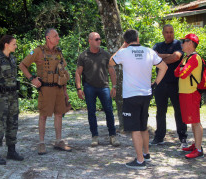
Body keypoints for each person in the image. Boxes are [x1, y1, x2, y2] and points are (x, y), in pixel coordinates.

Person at [109, 29, 168, 169]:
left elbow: (111, 62)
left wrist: (122, 47)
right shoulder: (149, 51)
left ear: (126, 41)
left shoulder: (123, 52)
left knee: (135, 128)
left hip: (131, 95)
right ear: (138, 38)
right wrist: (155, 83)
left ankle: (140, 161)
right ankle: (146, 154)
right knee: (143, 127)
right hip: (146, 93)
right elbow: (164, 67)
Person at [19, 28, 72, 155]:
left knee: (59, 114)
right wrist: (32, 79)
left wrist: (65, 92)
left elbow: (63, 72)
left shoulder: (59, 52)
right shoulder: (37, 51)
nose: (58, 38)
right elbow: (22, 65)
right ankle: (41, 143)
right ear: (48, 38)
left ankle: (59, 141)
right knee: (43, 116)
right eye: (56, 36)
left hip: (59, 88)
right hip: (46, 89)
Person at [75, 32, 120, 147]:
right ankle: (94, 136)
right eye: (96, 39)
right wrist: (79, 88)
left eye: (100, 39)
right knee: (91, 112)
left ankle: (113, 136)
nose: (99, 41)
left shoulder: (105, 54)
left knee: (109, 111)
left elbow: (112, 71)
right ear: (90, 41)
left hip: (104, 86)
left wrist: (114, 86)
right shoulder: (83, 55)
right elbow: (78, 73)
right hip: (89, 87)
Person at [0, 35, 24, 165]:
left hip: (13, 96)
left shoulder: (12, 59)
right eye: (14, 44)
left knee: (13, 123)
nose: (16, 46)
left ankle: (11, 151)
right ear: (6, 44)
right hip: (1, 98)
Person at [151, 24, 188, 147]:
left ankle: (183, 137)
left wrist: (160, 59)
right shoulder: (157, 45)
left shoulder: (178, 44)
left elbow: (176, 57)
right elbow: (153, 59)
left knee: (179, 111)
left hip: (175, 84)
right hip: (160, 83)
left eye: (171, 32)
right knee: (160, 111)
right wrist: (168, 56)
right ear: (163, 33)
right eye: (166, 32)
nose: (169, 34)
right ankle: (159, 137)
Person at [174, 33, 204, 159]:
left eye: (184, 41)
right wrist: (181, 70)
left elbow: (183, 74)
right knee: (192, 120)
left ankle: (198, 149)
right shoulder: (186, 57)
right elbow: (176, 72)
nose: (182, 43)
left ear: (190, 43)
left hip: (192, 93)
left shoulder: (194, 58)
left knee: (196, 121)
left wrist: (181, 70)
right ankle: (196, 144)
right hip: (185, 93)